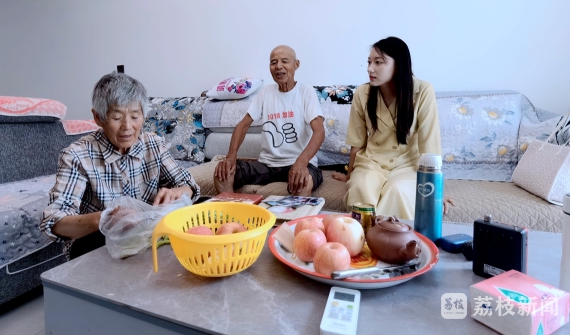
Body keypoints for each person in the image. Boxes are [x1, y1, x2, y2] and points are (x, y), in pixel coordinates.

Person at [41, 72, 200, 259]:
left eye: (135, 116)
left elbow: (189, 186)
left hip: (148, 237)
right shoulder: (77, 156)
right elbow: (54, 222)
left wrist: (179, 192)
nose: (127, 126)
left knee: (201, 207)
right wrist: (105, 219)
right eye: (117, 117)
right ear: (98, 117)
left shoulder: (153, 144)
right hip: (100, 243)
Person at [332, 37, 450, 219]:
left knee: (398, 191)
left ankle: (390, 236)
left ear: (398, 65)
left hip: (408, 164)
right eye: (369, 62)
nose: (370, 68)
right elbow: (357, 142)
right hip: (371, 162)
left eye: (378, 62)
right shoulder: (362, 93)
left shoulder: (423, 91)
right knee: (361, 188)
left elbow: (430, 145)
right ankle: (361, 236)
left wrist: (436, 190)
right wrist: (350, 176)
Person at [214, 45, 325, 197]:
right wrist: (231, 156)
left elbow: (319, 131)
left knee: (303, 182)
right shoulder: (265, 92)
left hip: (298, 162)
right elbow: (243, 126)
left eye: (284, 61)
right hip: (267, 165)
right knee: (223, 174)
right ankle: (234, 212)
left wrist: (301, 162)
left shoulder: (306, 92)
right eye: (273, 62)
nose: (278, 66)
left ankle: (294, 214)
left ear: (296, 64)